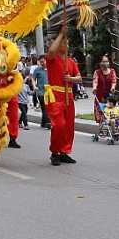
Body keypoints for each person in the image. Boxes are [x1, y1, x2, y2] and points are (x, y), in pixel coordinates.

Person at [45, 24, 81, 166]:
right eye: (64, 42)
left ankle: (64, 152)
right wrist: (61, 34)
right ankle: (55, 152)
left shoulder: (71, 62)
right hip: (55, 97)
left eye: (68, 43)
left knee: (68, 126)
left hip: (69, 97)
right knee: (59, 125)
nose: (67, 45)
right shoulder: (52, 59)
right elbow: (51, 50)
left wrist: (71, 79)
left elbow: (79, 77)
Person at [32, 55, 50, 129]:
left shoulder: (51, 69)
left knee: (47, 107)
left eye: (43, 62)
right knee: (44, 106)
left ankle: (43, 122)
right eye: (41, 62)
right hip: (41, 91)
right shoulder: (37, 70)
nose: (42, 63)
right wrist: (34, 86)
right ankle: (47, 122)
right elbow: (33, 79)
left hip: (50, 91)